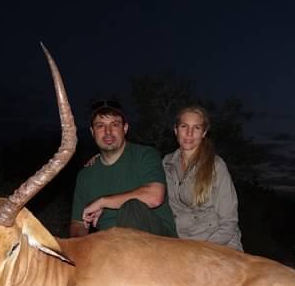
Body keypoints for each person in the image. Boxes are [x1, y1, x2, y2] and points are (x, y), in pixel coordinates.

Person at [69, 100, 177, 238]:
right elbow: (78, 224)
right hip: (110, 246)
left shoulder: (145, 155)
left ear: (125, 128)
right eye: (100, 126)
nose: (108, 132)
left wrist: (103, 202)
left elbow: (155, 196)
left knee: (132, 207)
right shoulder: (86, 175)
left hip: (157, 242)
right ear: (92, 131)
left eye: (114, 124)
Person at [162, 105, 244, 251]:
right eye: (184, 126)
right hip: (181, 244)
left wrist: (204, 250)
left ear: (204, 132)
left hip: (218, 244)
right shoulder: (166, 163)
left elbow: (229, 222)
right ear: (176, 130)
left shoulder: (216, 166)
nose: (189, 133)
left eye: (197, 128)